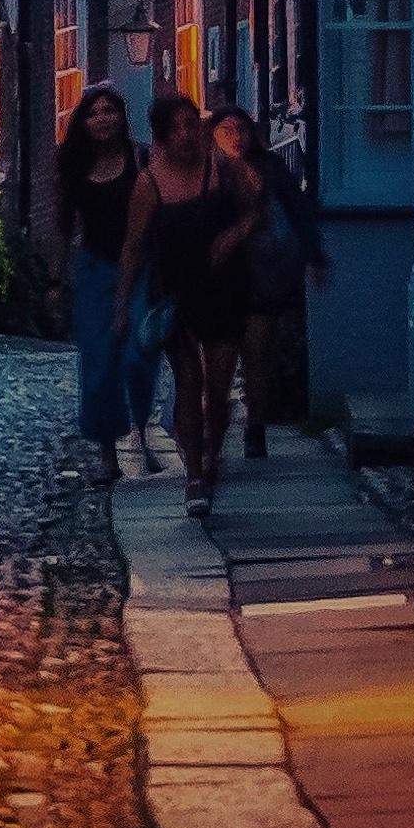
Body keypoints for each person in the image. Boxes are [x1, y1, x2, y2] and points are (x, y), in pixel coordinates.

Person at [116, 92, 253, 515]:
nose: (187, 136)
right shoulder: (149, 183)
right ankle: (193, 474)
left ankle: (212, 456)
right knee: (189, 382)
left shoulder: (222, 168)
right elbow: (134, 248)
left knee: (219, 387)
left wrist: (232, 236)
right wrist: (122, 306)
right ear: (161, 137)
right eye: (176, 129)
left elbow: (254, 210)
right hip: (175, 293)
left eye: (191, 124)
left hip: (224, 286)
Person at [211, 107, 329, 458]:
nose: (235, 136)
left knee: (257, 355)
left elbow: (299, 211)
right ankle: (215, 428)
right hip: (220, 279)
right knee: (219, 359)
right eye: (226, 129)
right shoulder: (207, 173)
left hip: (262, 274)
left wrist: (315, 257)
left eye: (240, 128)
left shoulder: (271, 168)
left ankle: (255, 425)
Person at [57, 84, 150, 480]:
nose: (102, 119)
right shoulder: (73, 165)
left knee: (137, 358)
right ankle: (108, 452)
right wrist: (57, 278)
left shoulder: (142, 158)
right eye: (94, 113)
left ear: (121, 116)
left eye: (109, 110)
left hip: (143, 268)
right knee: (98, 366)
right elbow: (64, 225)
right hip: (95, 269)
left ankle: (142, 429)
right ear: (84, 121)